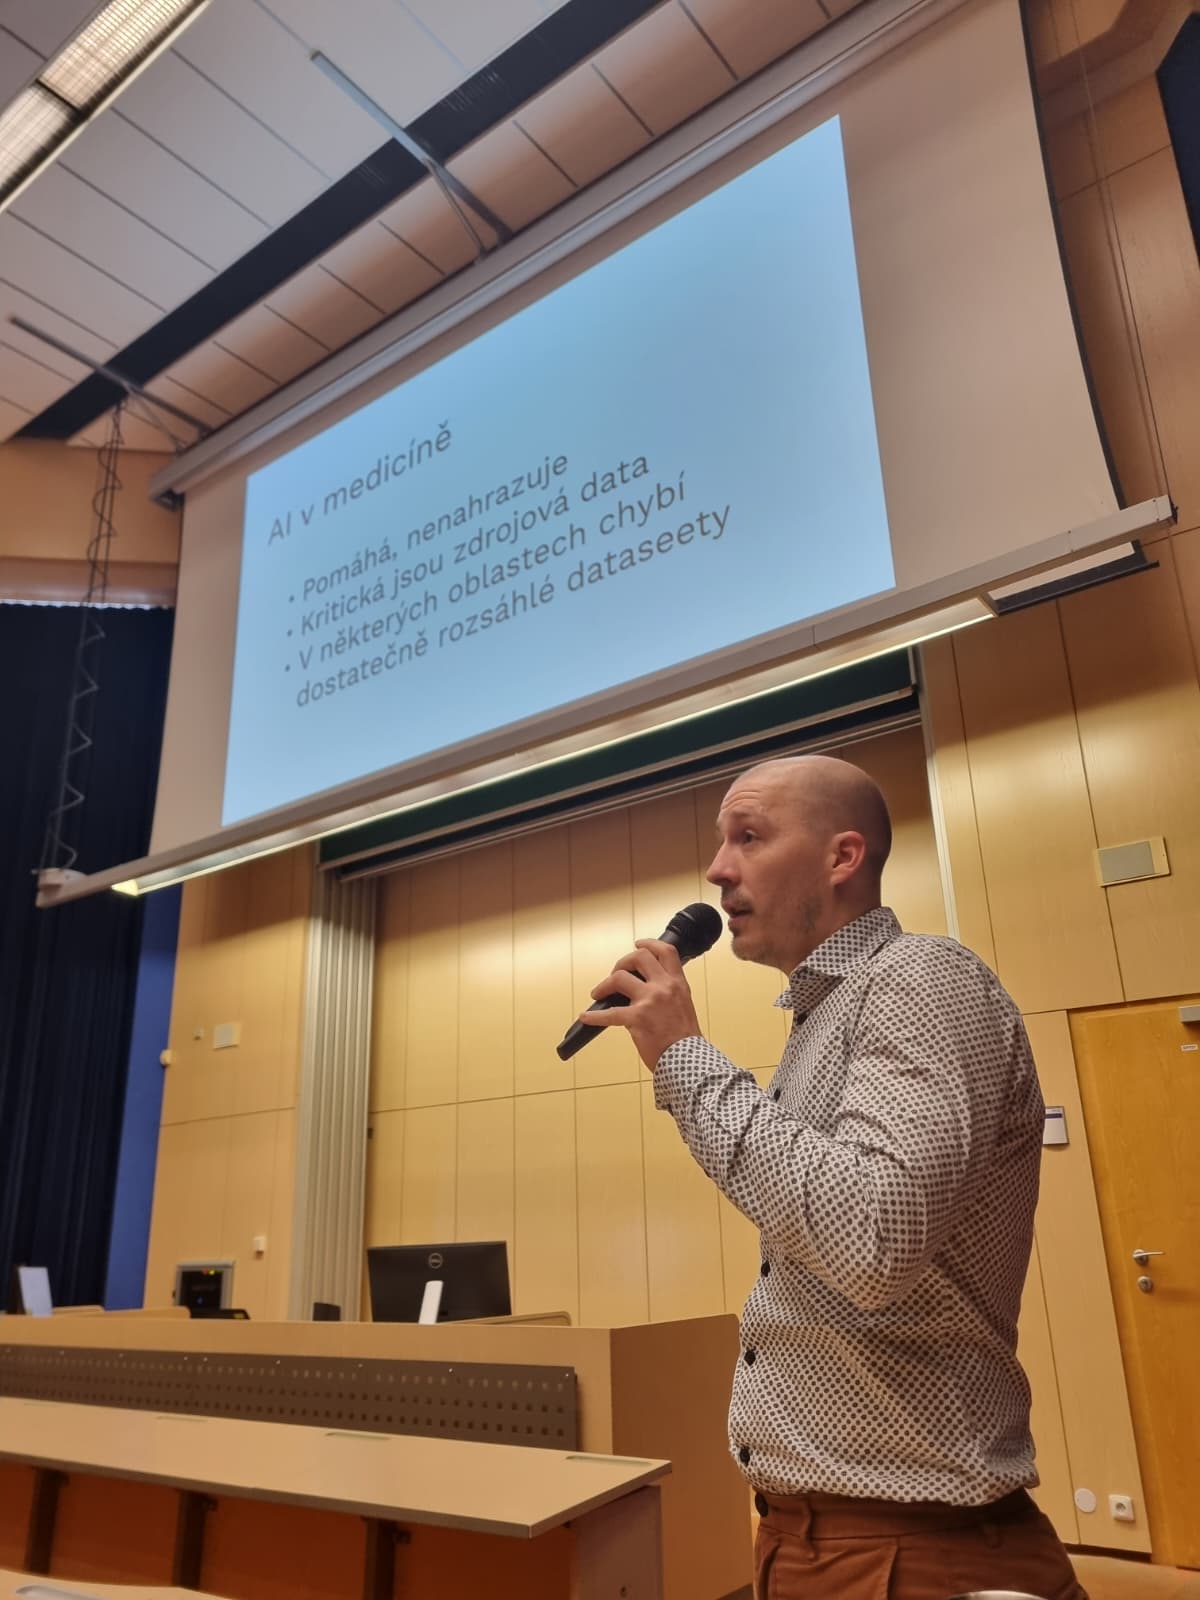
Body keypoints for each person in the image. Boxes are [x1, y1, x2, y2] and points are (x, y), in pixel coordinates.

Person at [581, 754, 1087, 1600]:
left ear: (842, 857)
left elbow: (873, 1237)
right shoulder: (827, 1017)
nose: (717, 870)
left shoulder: (921, 978)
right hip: (810, 1539)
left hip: (913, 1552)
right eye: (721, 843)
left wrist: (684, 1059)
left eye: (748, 837)